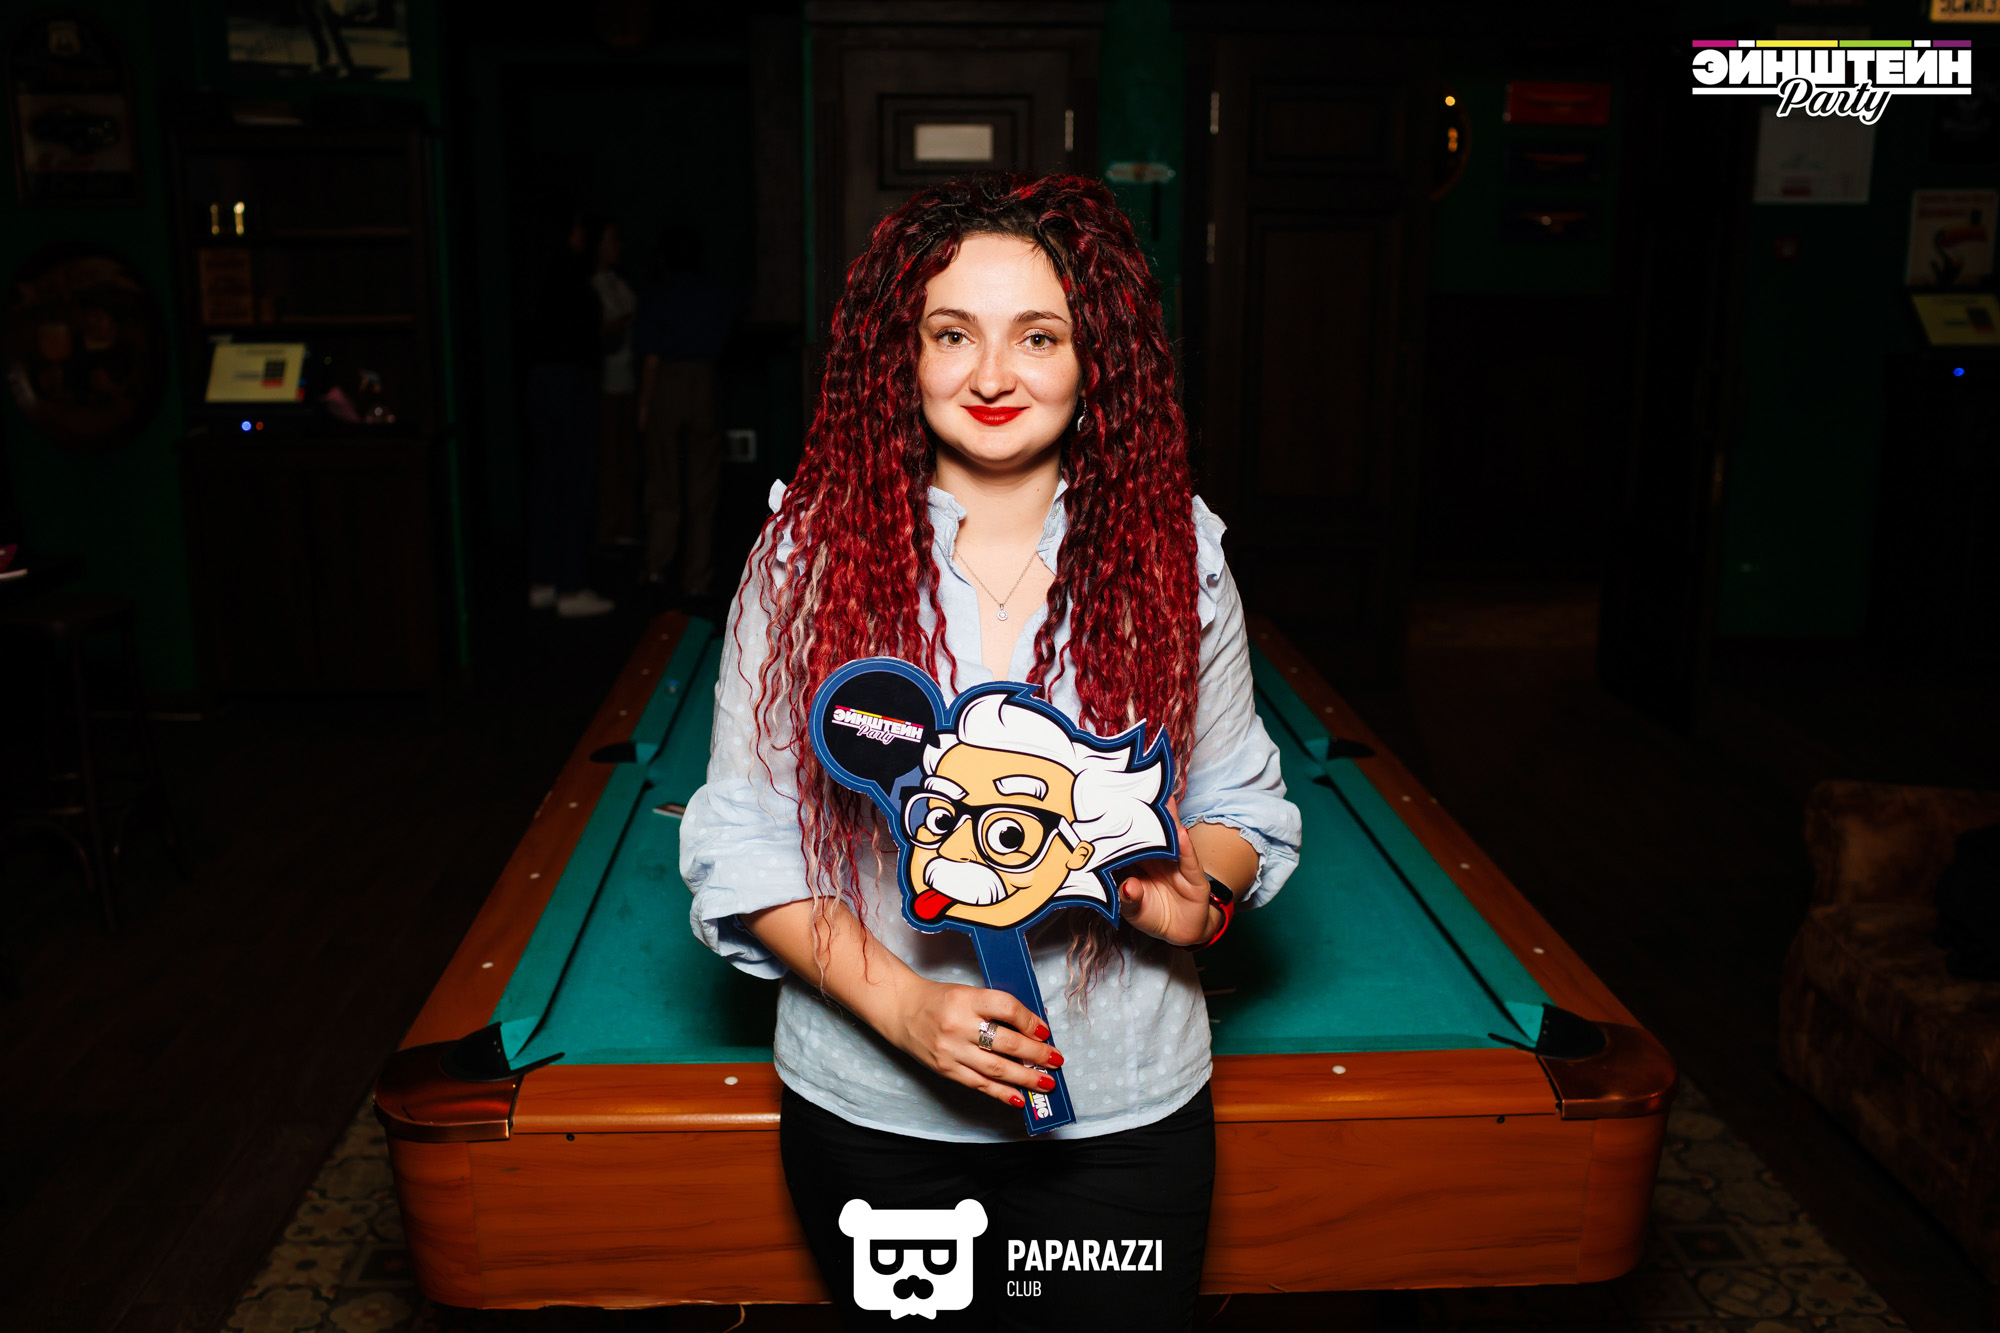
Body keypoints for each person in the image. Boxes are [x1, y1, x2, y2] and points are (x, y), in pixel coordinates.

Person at [679, 175, 1301, 1330]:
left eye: (1038, 335)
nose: (992, 375)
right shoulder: (804, 554)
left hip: (1125, 1116)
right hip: (874, 1119)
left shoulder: (1178, 554)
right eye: (952, 333)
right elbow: (745, 837)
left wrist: (1198, 898)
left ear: (1093, 355)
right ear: (901, 355)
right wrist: (906, 1008)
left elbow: (1237, 800)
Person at [632, 225, 739, 603]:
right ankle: (697, 576)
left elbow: (650, 355)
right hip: (704, 380)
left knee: (663, 478)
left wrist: (644, 404)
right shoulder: (716, 294)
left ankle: (657, 566)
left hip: (668, 380)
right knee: (703, 484)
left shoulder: (658, 294)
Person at [523, 214, 615, 619]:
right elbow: (584, 329)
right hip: (568, 382)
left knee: (549, 482)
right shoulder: (572, 273)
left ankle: (544, 581)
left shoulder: (536, 267)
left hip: (540, 379)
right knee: (574, 482)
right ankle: (571, 586)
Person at [587, 216, 641, 550]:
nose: (618, 247)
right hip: (604, 383)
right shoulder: (591, 285)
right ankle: (605, 532)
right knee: (607, 457)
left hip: (627, 380)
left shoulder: (617, 282)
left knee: (626, 458)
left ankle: (623, 526)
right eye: (611, 240)